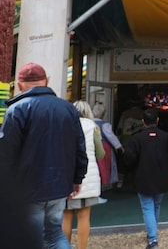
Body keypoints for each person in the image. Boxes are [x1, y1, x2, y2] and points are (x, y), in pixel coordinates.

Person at [0, 62, 88, 249]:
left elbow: (6, 154)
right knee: (55, 233)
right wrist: (77, 178)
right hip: (59, 185)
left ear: (19, 84)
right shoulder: (68, 108)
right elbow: (80, 147)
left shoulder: (17, 110)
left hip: (27, 187)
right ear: (47, 81)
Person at [124, 107, 168, 249]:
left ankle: (152, 239)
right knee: (156, 206)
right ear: (157, 120)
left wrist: (131, 172)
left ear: (143, 122)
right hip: (162, 178)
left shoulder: (137, 139)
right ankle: (152, 233)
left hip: (142, 179)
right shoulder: (166, 137)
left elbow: (129, 159)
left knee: (147, 207)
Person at [63, 100, 106, 249]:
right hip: (89, 176)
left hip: (68, 176)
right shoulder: (92, 126)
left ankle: (65, 246)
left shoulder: (66, 125)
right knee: (84, 216)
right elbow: (100, 154)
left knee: (66, 216)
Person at [92, 102, 124, 190]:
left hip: (91, 147)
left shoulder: (90, 123)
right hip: (103, 148)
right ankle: (100, 188)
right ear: (103, 114)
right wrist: (119, 147)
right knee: (103, 168)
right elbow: (111, 137)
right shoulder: (105, 125)